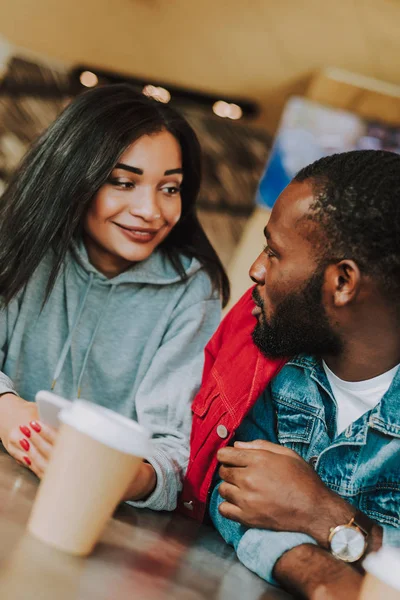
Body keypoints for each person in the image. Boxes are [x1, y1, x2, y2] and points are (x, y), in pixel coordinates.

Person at [179, 150, 400, 598]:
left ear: (343, 283)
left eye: (274, 252)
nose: (255, 269)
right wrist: (317, 572)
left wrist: (324, 514)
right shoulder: (270, 341)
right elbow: (239, 496)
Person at [0, 83, 229, 511]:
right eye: (124, 182)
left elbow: (177, 449)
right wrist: (7, 410)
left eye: (170, 188)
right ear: (72, 176)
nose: (151, 210)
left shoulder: (192, 292)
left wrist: (123, 476)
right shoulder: (22, 246)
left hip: (96, 516)